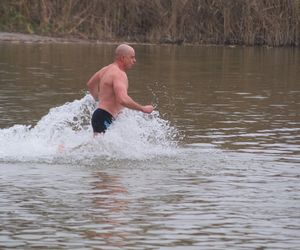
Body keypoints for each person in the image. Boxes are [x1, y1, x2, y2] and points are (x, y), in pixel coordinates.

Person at [86, 44, 154, 135]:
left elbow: (90, 84)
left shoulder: (106, 69)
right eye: (132, 57)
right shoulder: (119, 74)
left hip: (101, 115)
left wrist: (98, 100)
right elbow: (122, 99)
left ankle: (67, 148)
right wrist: (142, 108)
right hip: (104, 117)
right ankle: (68, 148)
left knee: (98, 146)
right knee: (97, 147)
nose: (134, 60)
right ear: (123, 58)